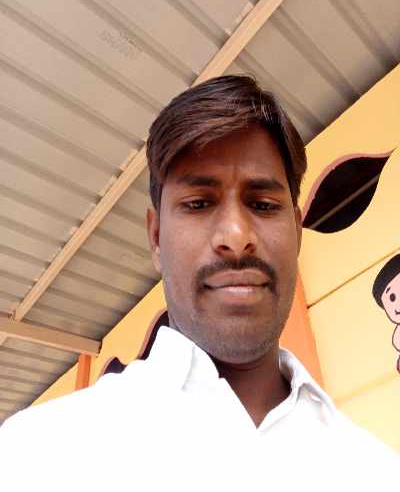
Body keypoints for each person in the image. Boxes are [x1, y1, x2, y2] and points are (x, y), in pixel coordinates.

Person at [1, 76, 398, 490]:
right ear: (156, 238)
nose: (236, 235)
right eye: (199, 203)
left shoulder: (377, 471)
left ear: (297, 233)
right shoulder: (37, 455)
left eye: (263, 204)